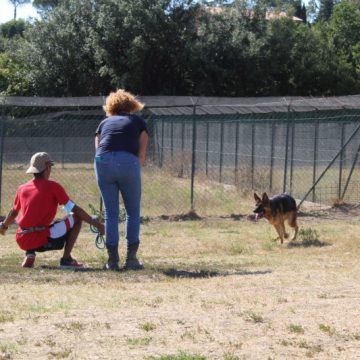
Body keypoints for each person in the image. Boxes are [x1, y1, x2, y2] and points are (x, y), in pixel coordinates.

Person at [0, 152, 104, 269]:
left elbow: (13, 212)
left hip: (22, 238)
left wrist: (3, 226)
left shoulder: (21, 188)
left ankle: (30, 253)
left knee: (31, 221)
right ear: (47, 168)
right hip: (42, 239)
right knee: (77, 218)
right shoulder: (53, 186)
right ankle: (66, 259)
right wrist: (97, 225)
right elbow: (74, 209)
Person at [94, 89, 148, 271]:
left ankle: (112, 261)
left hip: (103, 161)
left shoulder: (103, 123)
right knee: (132, 211)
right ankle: (131, 259)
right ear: (132, 106)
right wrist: (133, 167)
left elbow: (98, 149)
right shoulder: (138, 122)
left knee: (111, 212)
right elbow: (141, 153)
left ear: (111, 106)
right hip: (128, 162)